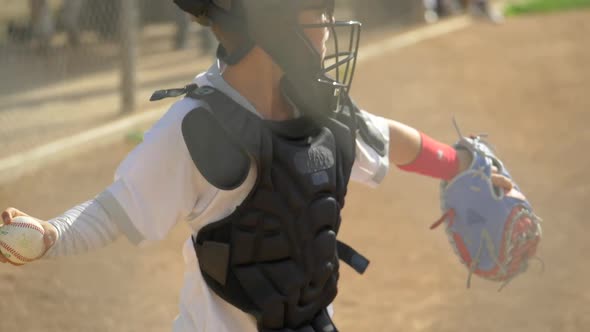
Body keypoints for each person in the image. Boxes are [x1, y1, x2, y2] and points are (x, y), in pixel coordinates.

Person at [1, 0, 514, 331]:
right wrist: (49, 234)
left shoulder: (320, 108)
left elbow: (389, 138)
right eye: (319, 11)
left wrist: (459, 166)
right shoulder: (199, 127)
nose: (332, 26)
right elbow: (114, 212)